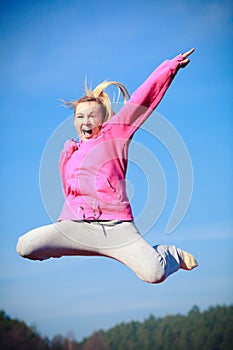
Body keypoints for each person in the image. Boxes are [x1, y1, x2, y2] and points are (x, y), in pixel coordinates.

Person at [16, 49, 198, 284]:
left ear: (103, 120)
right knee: (25, 246)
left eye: (92, 116)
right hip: (77, 228)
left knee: (154, 273)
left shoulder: (116, 134)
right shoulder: (68, 153)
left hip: (116, 227)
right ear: (74, 121)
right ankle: (73, 245)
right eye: (80, 117)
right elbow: (69, 193)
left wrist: (169, 68)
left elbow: (141, 100)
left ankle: (171, 254)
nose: (86, 121)